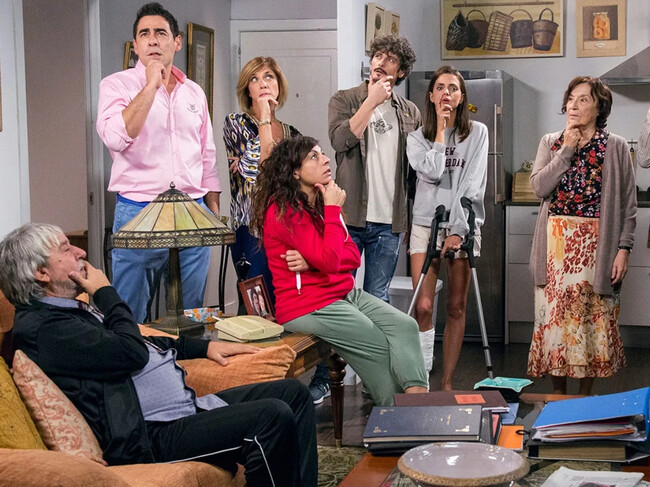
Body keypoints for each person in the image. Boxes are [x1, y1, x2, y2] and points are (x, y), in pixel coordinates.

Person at [0, 223, 317, 487]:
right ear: (41, 273)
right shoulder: (45, 329)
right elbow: (132, 352)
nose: (80, 252)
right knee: (270, 417)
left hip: (180, 409)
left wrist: (205, 347)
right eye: (66, 248)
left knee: (293, 394)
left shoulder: (68, 310)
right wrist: (106, 293)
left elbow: (140, 339)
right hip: (149, 434)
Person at [250, 136, 429, 406]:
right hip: (307, 306)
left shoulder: (319, 205)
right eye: (314, 156)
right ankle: (393, 414)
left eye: (322, 154)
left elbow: (352, 257)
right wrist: (333, 213)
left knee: (405, 326)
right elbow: (333, 260)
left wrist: (313, 261)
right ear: (295, 171)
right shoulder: (284, 211)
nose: (325, 160)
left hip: (340, 294)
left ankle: (418, 404)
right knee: (375, 341)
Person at [97, 3, 221, 323]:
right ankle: (134, 357)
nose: (152, 40)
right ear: (136, 45)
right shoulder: (116, 85)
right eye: (144, 34)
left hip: (192, 210)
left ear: (176, 42)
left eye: (160, 33)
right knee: (130, 314)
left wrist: (212, 209)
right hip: (138, 210)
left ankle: (184, 358)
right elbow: (116, 138)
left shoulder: (194, 92)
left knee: (190, 315)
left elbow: (206, 153)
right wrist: (150, 85)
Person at [325, 34, 421, 401]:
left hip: (389, 222)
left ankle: (373, 378)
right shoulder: (345, 99)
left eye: (390, 58)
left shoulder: (409, 112)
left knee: (378, 301)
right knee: (337, 298)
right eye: (378, 55)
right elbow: (339, 142)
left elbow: (414, 170)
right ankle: (326, 376)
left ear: (401, 71)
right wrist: (370, 101)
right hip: (349, 218)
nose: (381, 62)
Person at [527, 76, 636, 395]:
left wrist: (624, 249)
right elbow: (539, 188)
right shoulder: (551, 142)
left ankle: (584, 399)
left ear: (599, 107)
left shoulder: (615, 146)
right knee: (556, 327)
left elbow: (628, 204)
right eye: (571, 99)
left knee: (590, 325)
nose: (573, 105)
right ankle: (558, 396)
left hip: (597, 249)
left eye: (583, 99)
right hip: (555, 250)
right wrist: (566, 151)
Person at [406, 66, 488, 388]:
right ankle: (423, 376)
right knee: (424, 307)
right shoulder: (417, 138)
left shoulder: (478, 133)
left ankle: (448, 383)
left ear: (461, 96)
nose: (446, 93)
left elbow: (472, 184)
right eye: (440, 87)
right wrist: (440, 133)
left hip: (462, 225)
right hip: (425, 223)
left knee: (455, 306)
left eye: (453, 88)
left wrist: (458, 229)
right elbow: (431, 172)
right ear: (431, 96)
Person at [223, 56, 300, 305]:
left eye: (269, 77)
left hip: (285, 227)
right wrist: (265, 116)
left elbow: (298, 183)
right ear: (248, 90)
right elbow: (258, 169)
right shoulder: (236, 123)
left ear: (279, 84)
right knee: (256, 304)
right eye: (254, 79)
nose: (263, 83)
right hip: (250, 228)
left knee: (284, 300)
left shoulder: (293, 134)